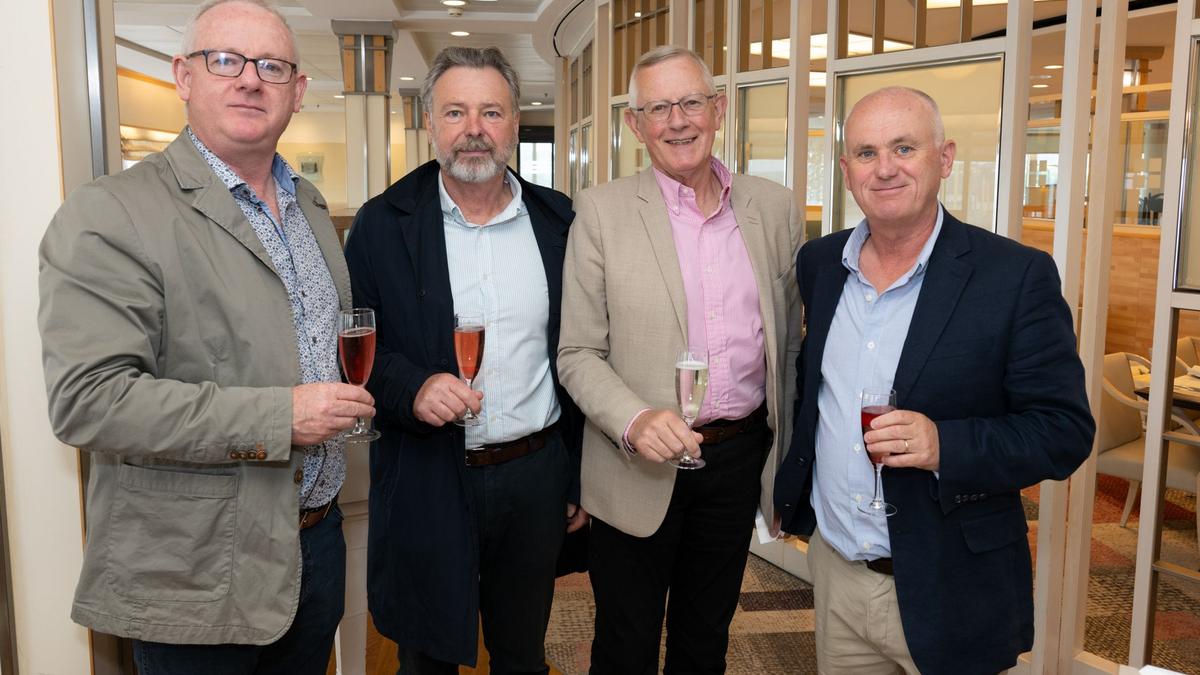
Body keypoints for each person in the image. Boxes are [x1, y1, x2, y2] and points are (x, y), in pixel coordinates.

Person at [37, 1, 374, 672]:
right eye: (225, 60)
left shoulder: (309, 207)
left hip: (316, 544)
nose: (249, 79)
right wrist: (283, 417)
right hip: (195, 571)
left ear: (298, 91)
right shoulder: (112, 213)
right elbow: (90, 401)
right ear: (183, 77)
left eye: (271, 66)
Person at [773, 86, 1095, 675]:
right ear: (846, 171)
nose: (885, 168)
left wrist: (945, 444)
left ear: (944, 159)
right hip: (836, 575)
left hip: (952, 584)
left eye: (904, 148)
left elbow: (1063, 430)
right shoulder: (821, 264)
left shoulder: (1014, 275)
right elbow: (811, 390)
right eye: (866, 153)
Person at [557, 45, 802, 674]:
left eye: (691, 102)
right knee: (626, 647)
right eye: (658, 108)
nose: (677, 121)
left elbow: (789, 347)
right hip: (634, 466)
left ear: (718, 110)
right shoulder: (600, 211)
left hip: (738, 459)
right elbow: (577, 352)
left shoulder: (775, 209)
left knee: (706, 640)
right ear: (634, 125)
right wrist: (635, 419)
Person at [343, 46, 584, 674]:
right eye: (455, 112)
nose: (474, 129)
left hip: (534, 476)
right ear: (430, 122)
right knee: (426, 658)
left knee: (523, 656)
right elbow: (356, 348)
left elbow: (581, 352)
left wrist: (575, 476)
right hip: (426, 473)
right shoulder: (381, 224)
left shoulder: (559, 222)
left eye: (491, 112)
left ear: (514, 122)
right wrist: (414, 387)